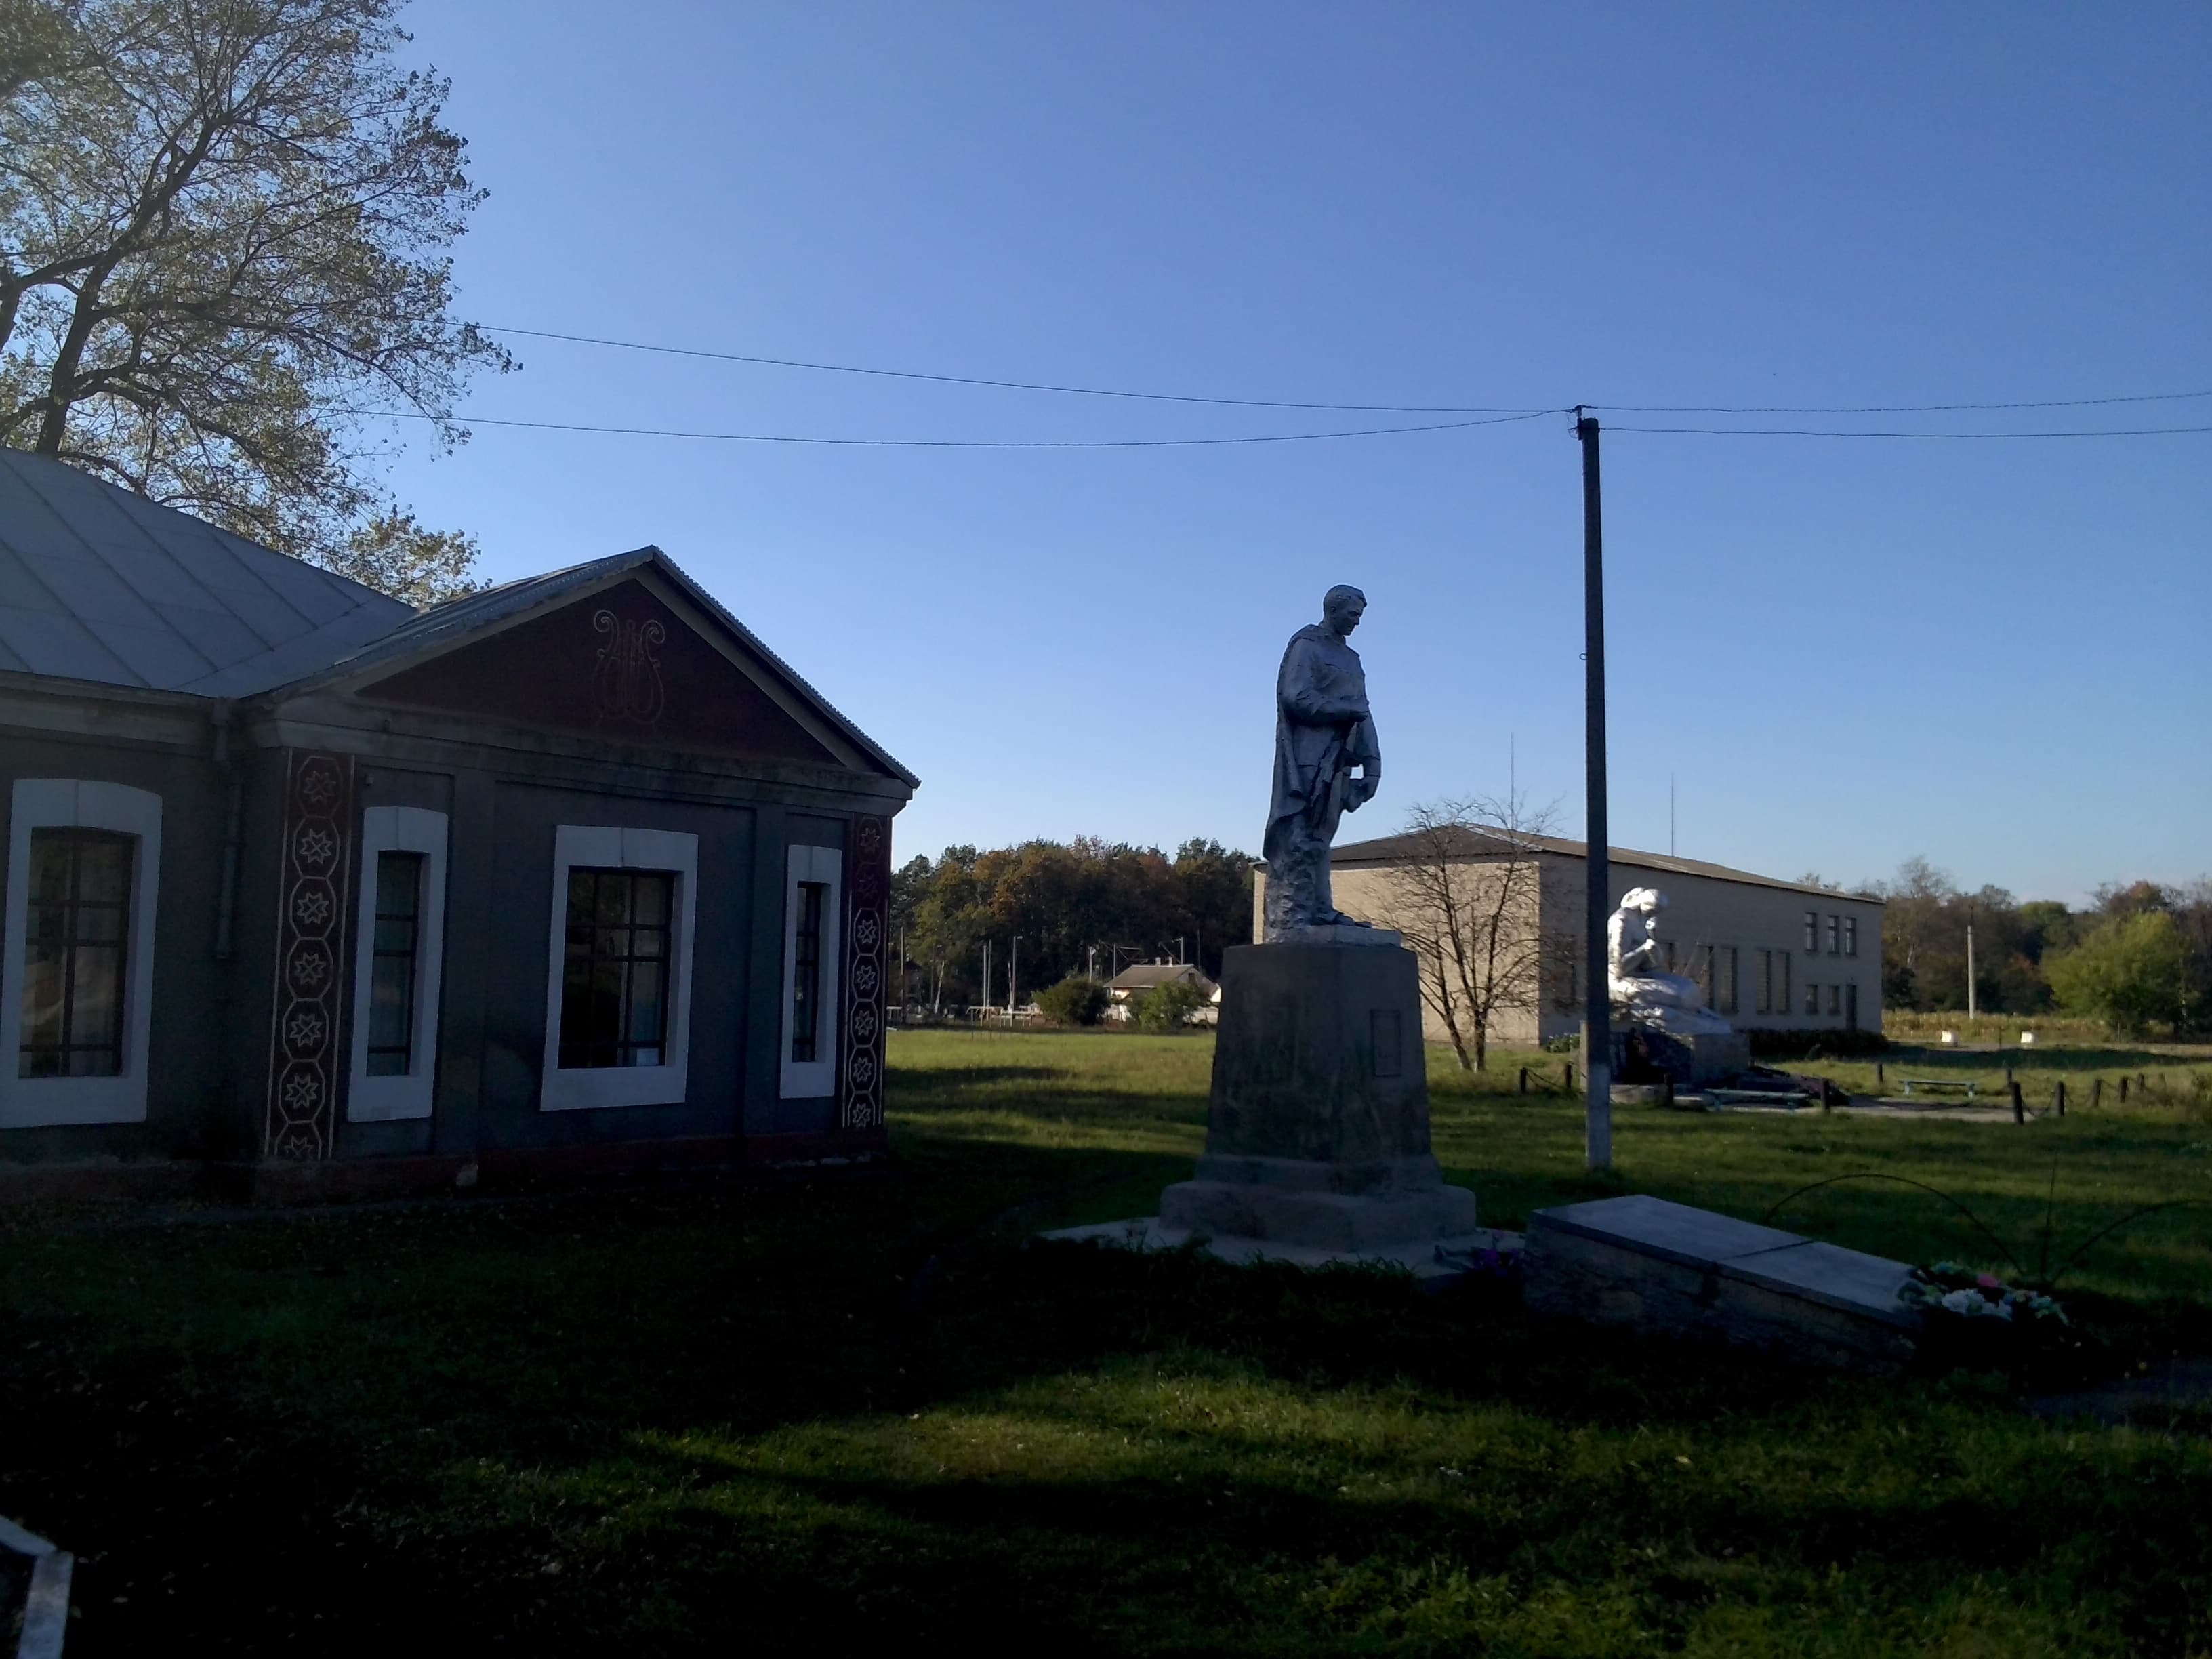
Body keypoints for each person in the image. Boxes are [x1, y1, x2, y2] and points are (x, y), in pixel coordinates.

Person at [1262, 585, 1381, 935]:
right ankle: (1293, 917)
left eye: (1360, 616)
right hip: (1307, 758)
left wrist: (1373, 763)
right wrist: (1343, 709)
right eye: (1352, 614)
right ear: (1333, 609)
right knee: (1299, 835)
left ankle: (1319, 910)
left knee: (1322, 838)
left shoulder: (1353, 659)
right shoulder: (1307, 646)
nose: (1357, 622)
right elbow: (1295, 696)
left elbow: (1364, 712)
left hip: (1339, 758)